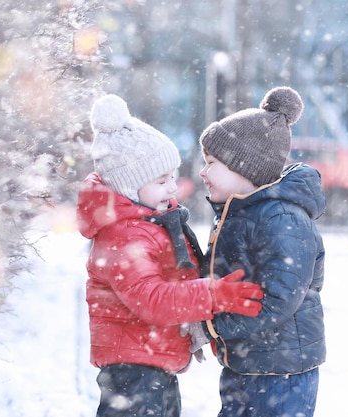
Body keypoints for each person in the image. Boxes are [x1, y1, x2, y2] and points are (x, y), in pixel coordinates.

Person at [76, 94, 264, 417]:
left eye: (172, 178)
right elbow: (153, 299)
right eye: (162, 181)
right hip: (133, 374)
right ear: (128, 187)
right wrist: (211, 295)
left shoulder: (151, 224)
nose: (173, 189)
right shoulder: (124, 237)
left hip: (152, 365)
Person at [187, 87, 327, 417]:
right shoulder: (240, 212)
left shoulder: (281, 218)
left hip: (281, 372)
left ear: (244, 168)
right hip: (247, 362)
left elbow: (277, 298)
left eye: (211, 163)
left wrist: (211, 327)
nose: (202, 172)